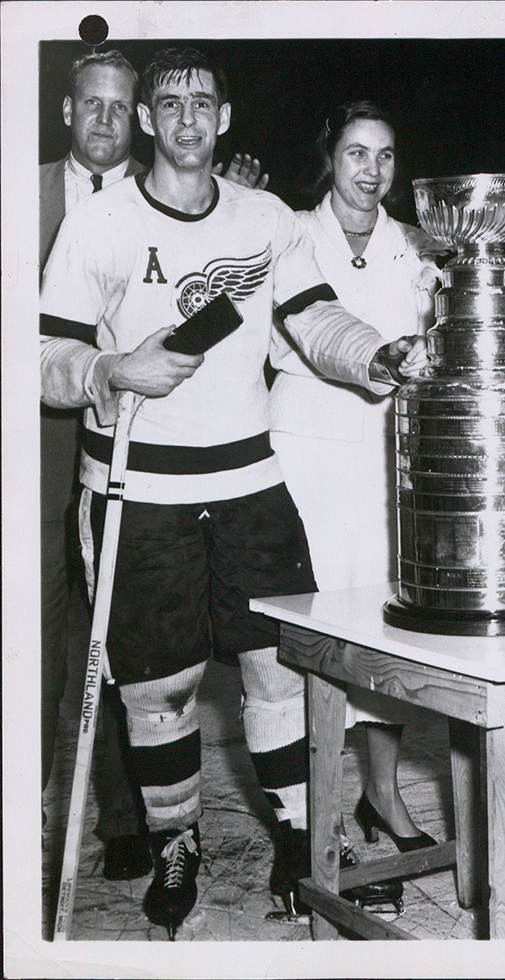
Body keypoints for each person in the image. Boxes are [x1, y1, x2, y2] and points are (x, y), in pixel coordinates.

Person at [39, 47, 422, 938]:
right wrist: (109, 365)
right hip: (141, 490)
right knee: (160, 686)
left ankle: (299, 839)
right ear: (146, 120)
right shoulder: (99, 226)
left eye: (201, 104)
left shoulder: (268, 220)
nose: (185, 119)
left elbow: (313, 316)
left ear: (225, 117)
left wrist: (376, 354)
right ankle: (178, 843)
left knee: (278, 669)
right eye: (168, 105)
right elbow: (41, 356)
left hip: (250, 480)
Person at [269, 100, 442, 907]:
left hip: (387, 452)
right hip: (307, 442)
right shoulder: (289, 235)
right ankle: (316, 819)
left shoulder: (415, 242)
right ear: (328, 158)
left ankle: (384, 794)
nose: (371, 170)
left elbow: (431, 340)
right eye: (355, 153)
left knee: (383, 627)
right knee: (316, 633)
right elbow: (315, 333)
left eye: (385, 154)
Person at [39, 48, 152, 884]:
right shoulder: (22, 191)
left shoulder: (171, 195)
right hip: (38, 441)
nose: (105, 119)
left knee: (114, 632)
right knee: (34, 629)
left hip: (134, 444)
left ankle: (120, 815)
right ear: (67, 112)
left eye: (120, 106)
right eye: (92, 105)